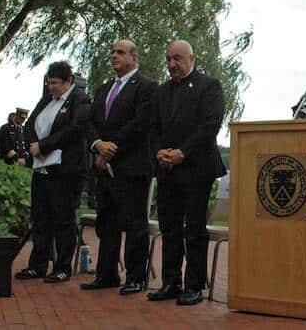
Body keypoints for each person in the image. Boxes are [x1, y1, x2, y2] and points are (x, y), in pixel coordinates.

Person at [147, 40, 226, 306]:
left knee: (194, 229)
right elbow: (153, 127)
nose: (172, 64)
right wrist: (160, 152)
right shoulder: (161, 91)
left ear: (192, 58)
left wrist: (183, 152)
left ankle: (194, 285)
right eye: (168, 59)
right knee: (169, 228)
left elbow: (210, 125)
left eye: (177, 59)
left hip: (196, 169)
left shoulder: (209, 86)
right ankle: (171, 282)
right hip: (167, 169)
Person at [80, 40, 156, 295]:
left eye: (120, 52)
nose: (114, 56)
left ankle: (135, 277)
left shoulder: (146, 87)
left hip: (131, 167)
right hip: (104, 167)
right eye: (112, 52)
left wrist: (112, 148)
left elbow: (140, 124)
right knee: (107, 223)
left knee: (135, 225)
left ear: (134, 58)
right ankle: (107, 274)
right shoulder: (103, 89)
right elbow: (90, 123)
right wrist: (98, 145)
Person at [15, 61, 91, 283]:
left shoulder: (80, 100)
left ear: (68, 82)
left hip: (66, 172)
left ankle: (62, 266)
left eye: (55, 83)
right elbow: (29, 126)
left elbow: (74, 130)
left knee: (63, 220)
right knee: (40, 219)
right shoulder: (47, 100)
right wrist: (32, 146)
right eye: (49, 83)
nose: (51, 88)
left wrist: (45, 145)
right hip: (42, 169)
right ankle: (37, 265)